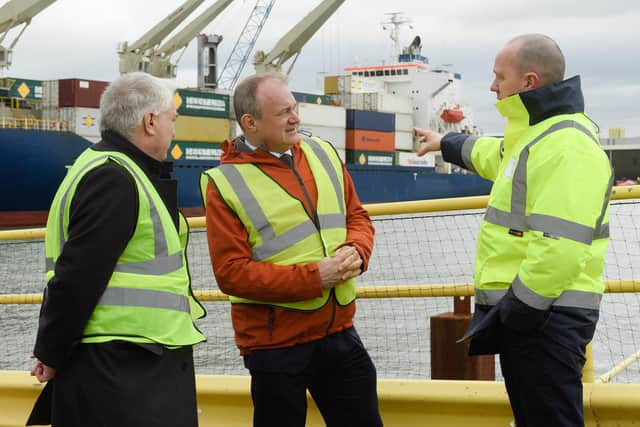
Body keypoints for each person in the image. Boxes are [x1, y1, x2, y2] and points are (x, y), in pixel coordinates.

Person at [415, 34, 612, 427]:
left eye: (498, 76)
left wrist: (518, 311)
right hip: (538, 315)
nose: (492, 87)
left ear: (529, 82)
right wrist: (445, 143)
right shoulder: (535, 136)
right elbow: (492, 155)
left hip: (545, 317)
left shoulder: (567, 145)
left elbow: (560, 249)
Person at [200, 73, 382, 427]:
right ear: (250, 123)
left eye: (295, 108)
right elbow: (231, 274)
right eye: (284, 112)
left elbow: (357, 216)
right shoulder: (224, 184)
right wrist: (316, 277)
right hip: (275, 347)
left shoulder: (323, 153)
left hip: (339, 332)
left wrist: (359, 251)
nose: (296, 117)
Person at [28, 72, 206, 427]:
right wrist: (50, 351)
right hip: (125, 372)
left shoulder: (101, 167)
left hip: (126, 365)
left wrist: (52, 349)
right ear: (150, 122)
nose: (175, 129)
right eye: (172, 118)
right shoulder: (115, 178)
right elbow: (77, 276)